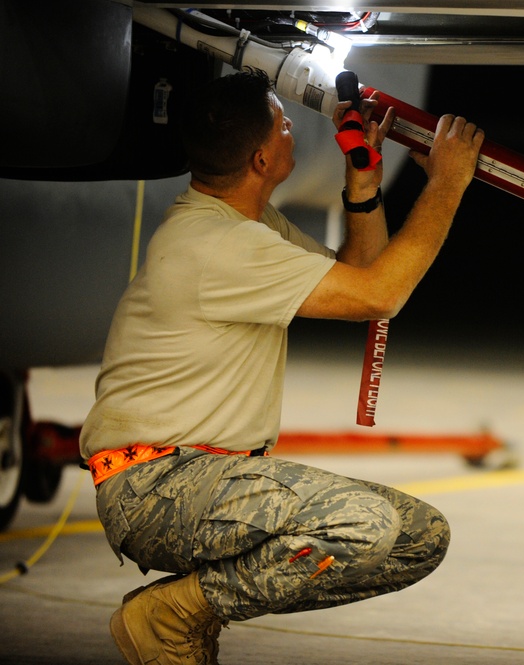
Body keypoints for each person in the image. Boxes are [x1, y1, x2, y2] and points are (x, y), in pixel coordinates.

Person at [79, 68, 485, 665]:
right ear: (264, 159)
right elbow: (380, 295)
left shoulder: (241, 224)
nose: (293, 129)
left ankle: (186, 611)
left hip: (208, 481)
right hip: (157, 488)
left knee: (418, 538)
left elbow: (358, 274)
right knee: (364, 524)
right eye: (284, 123)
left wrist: (363, 186)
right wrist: (447, 185)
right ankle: (176, 613)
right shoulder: (222, 246)